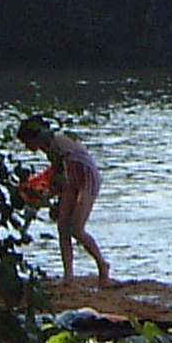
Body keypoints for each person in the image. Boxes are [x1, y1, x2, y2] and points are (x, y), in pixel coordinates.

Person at [18, 115, 110, 285]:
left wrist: (48, 196)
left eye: (26, 142)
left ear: (33, 138)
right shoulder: (48, 146)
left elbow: (59, 172)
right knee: (63, 227)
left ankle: (102, 266)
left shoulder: (54, 142)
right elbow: (59, 173)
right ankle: (68, 275)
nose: (26, 146)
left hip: (87, 178)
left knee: (76, 228)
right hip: (71, 178)